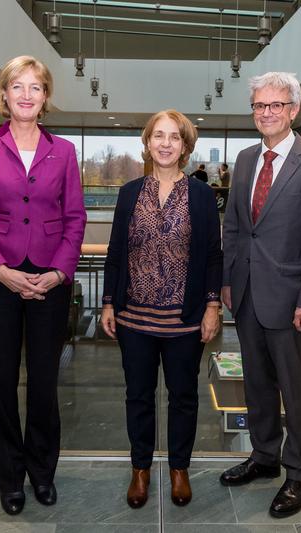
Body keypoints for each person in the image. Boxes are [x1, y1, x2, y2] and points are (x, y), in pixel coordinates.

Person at [0, 55, 86, 516]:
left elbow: (75, 218)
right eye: (18, 86)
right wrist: (1, 271)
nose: (27, 95)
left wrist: (57, 273)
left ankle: (42, 472)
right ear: (5, 95)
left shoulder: (65, 151)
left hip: (50, 282)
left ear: (45, 96)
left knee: (46, 383)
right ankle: (9, 478)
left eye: (35, 87)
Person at [219, 71, 301, 518]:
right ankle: (264, 457)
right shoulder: (247, 159)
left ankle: (299, 472)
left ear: (293, 110)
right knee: (256, 386)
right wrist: (229, 281)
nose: (266, 113)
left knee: (294, 389)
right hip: (247, 294)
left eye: (275, 105)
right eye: (259, 106)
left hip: (291, 301)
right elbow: (234, 226)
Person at [101, 109, 223, 510]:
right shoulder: (129, 193)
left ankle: (178, 469)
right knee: (138, 396)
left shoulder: (204, 196)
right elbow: (116, 253)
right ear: (148, 142)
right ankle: (140, 470)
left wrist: (212, 307)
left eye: (174, 137)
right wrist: (107, 302)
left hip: (184, 321)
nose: (166, 143)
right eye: (159, 136)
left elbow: (212, 257)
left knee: (184, 397)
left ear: (185, 146)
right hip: (134, 318)